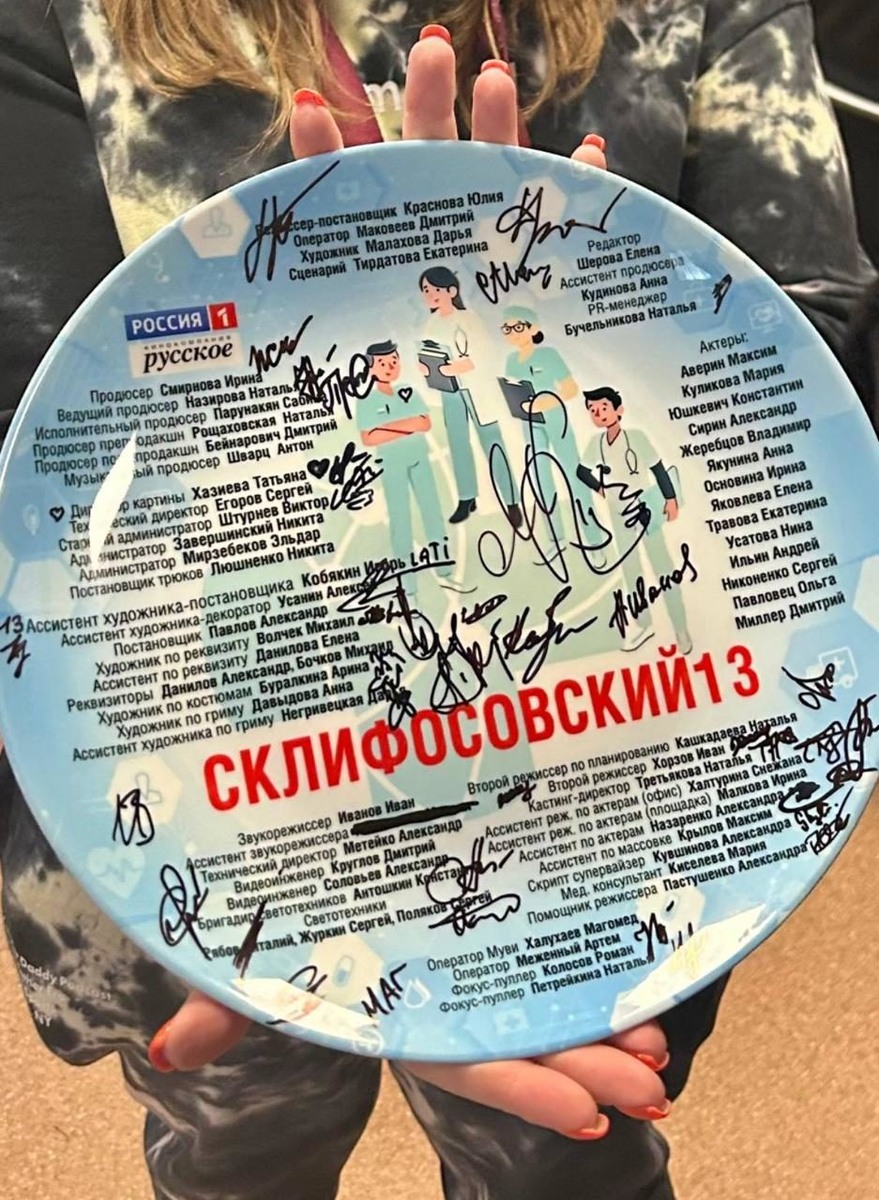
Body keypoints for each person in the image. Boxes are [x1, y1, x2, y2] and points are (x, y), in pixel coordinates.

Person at [0, 3, 873, 1199]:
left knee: (566, 1159)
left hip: (608, 809)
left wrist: (597, 327)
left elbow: (809, 378)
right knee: (244, 1147)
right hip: (213, 831)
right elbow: (38, 476)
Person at [577, 386, 693, 655]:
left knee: (663, 567)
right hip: (620, 514)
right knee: (631, 571)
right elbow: (582, 471)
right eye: (593, 410)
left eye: (604, 407)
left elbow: (658, 470)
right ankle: (644, 624)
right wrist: (601, 488)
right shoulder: (596, 444)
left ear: (618, 410)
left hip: (645, 509)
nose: (598, 413)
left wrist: (670, 499)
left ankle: (680, 627)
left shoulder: (636, 438)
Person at [419, 265, 522, 527]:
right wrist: (426, 368)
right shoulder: (431, 323)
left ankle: (511, 500)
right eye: (426, 290)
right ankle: (467, 497)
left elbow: (483, 352)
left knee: (492, 442)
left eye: (435, 289)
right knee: (458, 444)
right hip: (450, 391)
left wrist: (461, 366)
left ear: (452, 291)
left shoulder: (468, 319)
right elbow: (428, 353)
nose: (430, 295)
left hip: (477, 389)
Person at [500, 305, 599, 559]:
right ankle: (556, 539)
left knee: (574, 476)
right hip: (530, 424)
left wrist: (544, 403)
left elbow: (570, 389)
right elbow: (514, 392)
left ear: (533, 328)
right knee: (541, 480)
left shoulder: (548, 355)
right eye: (507, 329)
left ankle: (593, 539)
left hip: (555, 419)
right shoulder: (511, 361)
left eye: (518, 327)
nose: (513, 333)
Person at [356, 339, 450, 595]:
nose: (390, 367)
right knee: (400, 520)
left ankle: (444, 566)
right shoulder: (366, 401)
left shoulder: (409, 390)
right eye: (383, 363)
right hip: (391, 465)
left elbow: (424, 423)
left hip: (420, 458)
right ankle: (407, 581)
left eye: (394, 361)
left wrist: (388, 427)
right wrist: (407, 425)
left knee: (432, 511)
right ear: (370, 368)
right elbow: (369, 438)